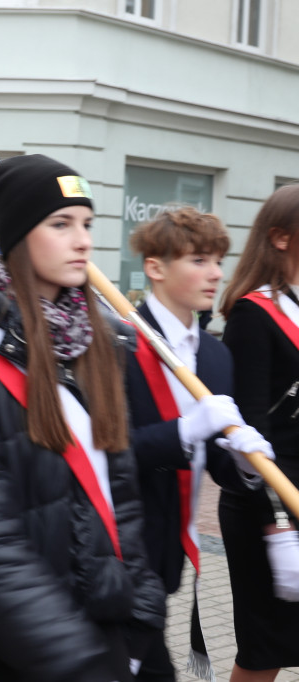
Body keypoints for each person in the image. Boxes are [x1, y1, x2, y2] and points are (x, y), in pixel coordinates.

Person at [0, 154, 165, 681]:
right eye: (61, 224)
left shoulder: (98, 347)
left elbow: (122, 502)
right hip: (0, 651)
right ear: (20, 235)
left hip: (94, 625)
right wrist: (80, 661)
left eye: (88, 224)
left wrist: (141, 621)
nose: (83, 241)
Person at [124, 207, 273, 680]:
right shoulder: (116, 344)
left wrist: (247, 465)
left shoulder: (214, 354)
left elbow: (220, 471)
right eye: (199, 260)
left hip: (168, 554)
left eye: (218, 261)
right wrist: (184, 431)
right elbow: (104, 454)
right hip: (111, 549)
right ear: (155, 267)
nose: (215, 274)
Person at [218, 184, 299, 682]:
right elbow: (251, 430)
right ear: (282, 238)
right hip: (267, 506)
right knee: (265, 648)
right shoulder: (253, 314)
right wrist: (280, 521)